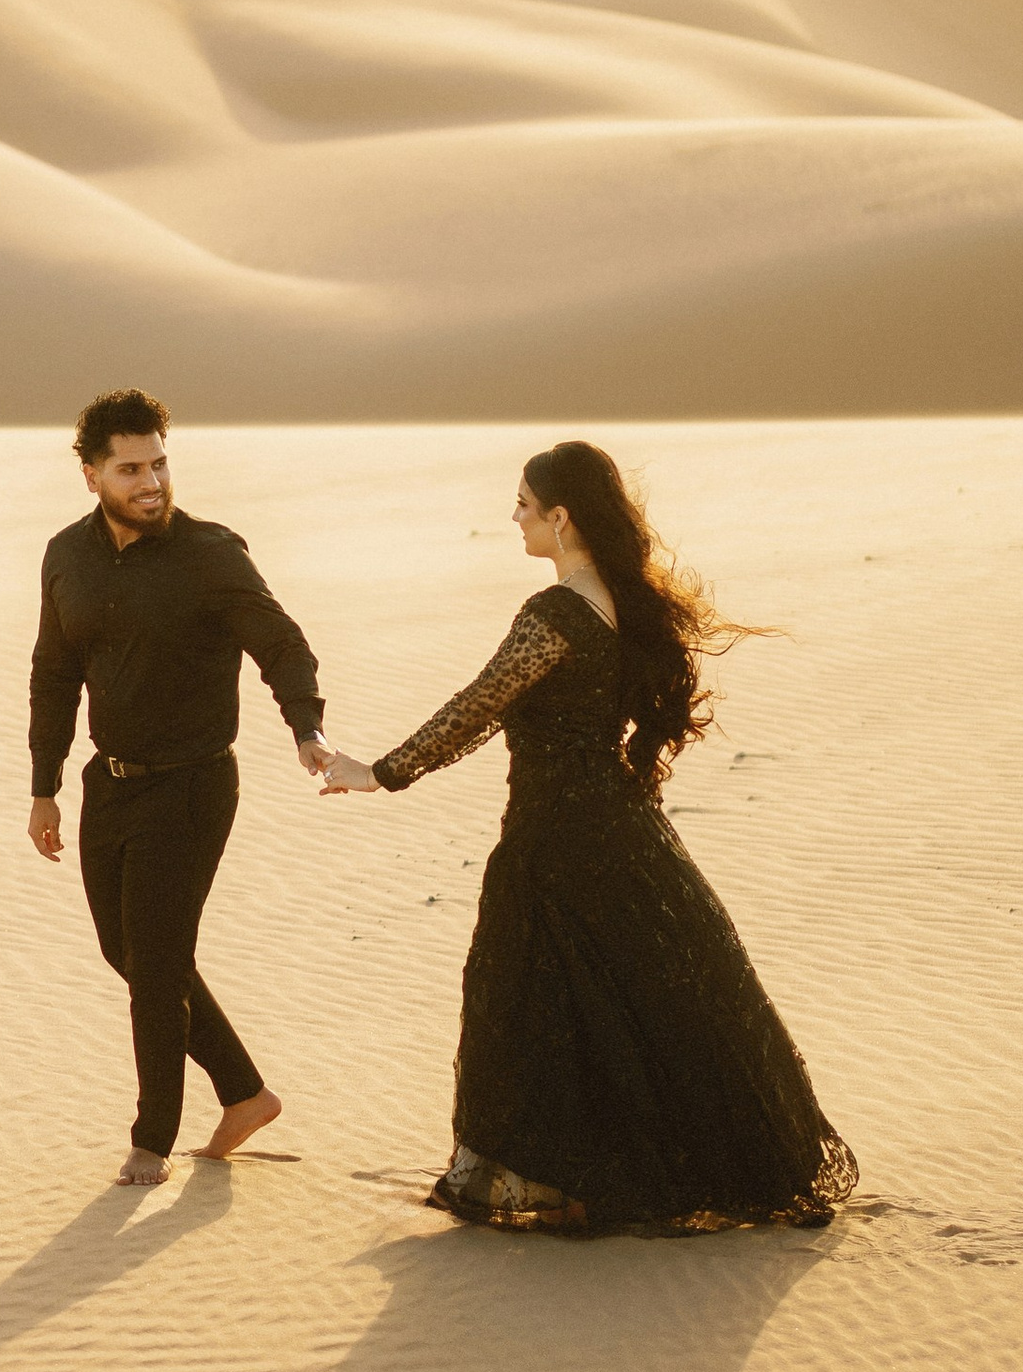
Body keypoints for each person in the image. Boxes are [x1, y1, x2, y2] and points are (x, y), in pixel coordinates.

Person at [318, 441, 856, 1237]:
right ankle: (627, 1172)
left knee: (526, 1005)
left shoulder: (556, 612)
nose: (515, 518)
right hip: (624, 827)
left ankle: (565, 1180)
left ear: (561, 516)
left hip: (554, 838)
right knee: (634, 1003)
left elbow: (478, 704)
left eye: (525, 505)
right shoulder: (624, 599)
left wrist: (380, 772)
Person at [30, 389, 333, 1189]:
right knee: (125, 953)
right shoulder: (67, 556)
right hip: (111, 786)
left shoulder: (210, 554)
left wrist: (307, 728)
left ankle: (151, 1140)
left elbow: (281, 642)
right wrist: (45, 785)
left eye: (160, 463)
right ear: (91, 474)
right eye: (130, 469)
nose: (152, 481)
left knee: (159, 964)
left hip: (195, 785)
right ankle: (246, 1093)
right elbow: (54, 675)